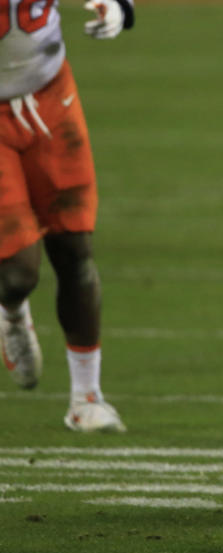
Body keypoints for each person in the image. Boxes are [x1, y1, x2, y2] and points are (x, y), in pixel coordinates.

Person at [0, 0, 133, 432]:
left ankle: (86, 399)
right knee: (19, 274)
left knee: (75, 248)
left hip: (52, 94)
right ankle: (13, 310)